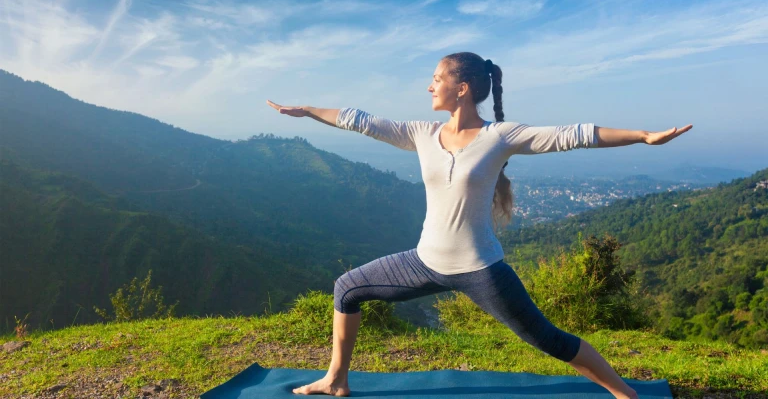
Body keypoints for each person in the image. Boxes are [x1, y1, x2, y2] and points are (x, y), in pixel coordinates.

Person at [266, 51, 692, 398]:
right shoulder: (420, 133)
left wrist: (642, 135)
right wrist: (307, 110)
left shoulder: (500, 137)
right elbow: (361, 120)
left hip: (480, 270)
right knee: (347, 288)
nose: (429, 85)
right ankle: (337, 380)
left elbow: (574, 134)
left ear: (461, 88)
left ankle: (625, 394)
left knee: (549, 340)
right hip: (424, 262)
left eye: (436, 78)